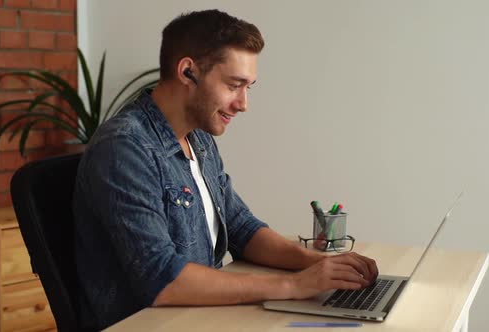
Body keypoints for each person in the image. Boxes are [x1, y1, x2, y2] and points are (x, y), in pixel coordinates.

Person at [73, 9, 378, 330]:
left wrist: (320, 264)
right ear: (188, 72)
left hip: (200, 317)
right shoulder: (124, 147)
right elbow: (161, 278)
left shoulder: (199, 138)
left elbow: (241, 228)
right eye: (234, 85)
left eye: (248, 87)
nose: (243, 103)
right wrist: (292, 286)